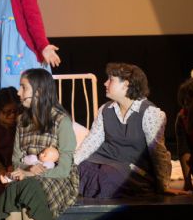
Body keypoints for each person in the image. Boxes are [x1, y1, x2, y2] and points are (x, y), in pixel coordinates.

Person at [0, 68, 79, 220]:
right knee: (16, 187)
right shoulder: (22, 121)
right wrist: (27, 170)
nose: (18, 92)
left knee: (27, 187)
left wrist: (32, 173)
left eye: (23, 87)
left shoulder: (61, 121)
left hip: (56, 178)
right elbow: (16, 161)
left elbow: (64, 169)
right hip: (28, 178)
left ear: (38, 92)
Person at [74, 63, 183, 198]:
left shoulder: (150, 113)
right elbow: (90, 143)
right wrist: (71, 165)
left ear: (126, 84)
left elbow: (158, 152)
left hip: (132, 170)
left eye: (111, 80)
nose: (105, 83)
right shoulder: (105, 110)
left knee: (109, 177)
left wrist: (163, 186)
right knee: (78, 169)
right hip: (104, 162)